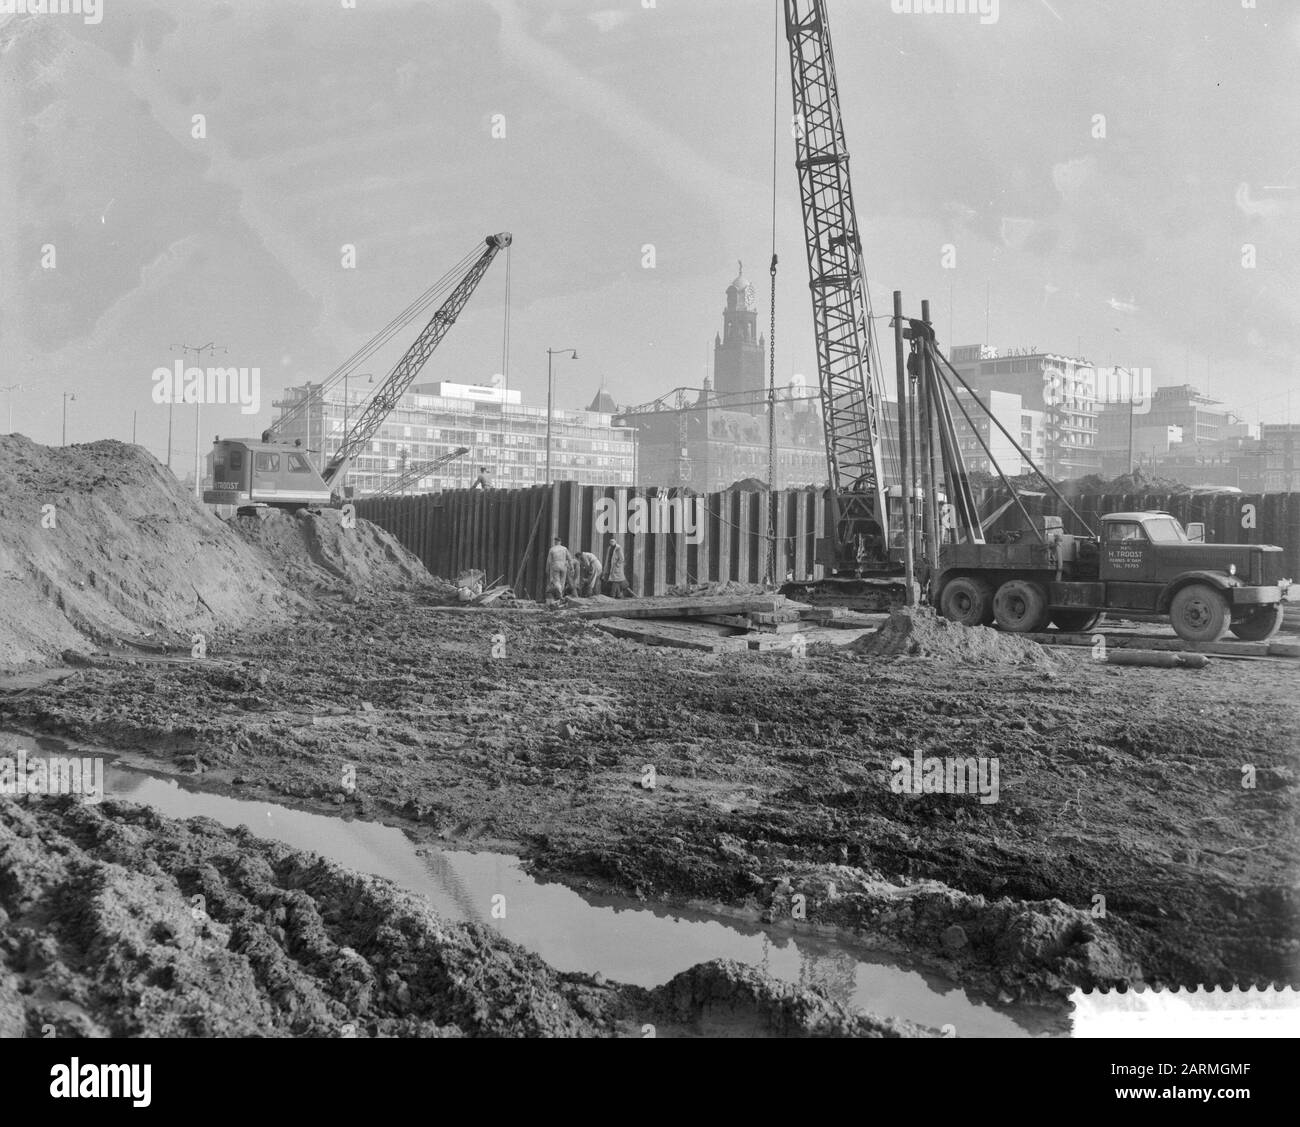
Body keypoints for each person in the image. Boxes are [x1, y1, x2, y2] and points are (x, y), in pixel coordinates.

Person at [545, 537, 572, 604]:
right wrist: (572, 567)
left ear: (555, 542)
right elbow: (569, 558)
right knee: (562, 581)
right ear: (560, 542)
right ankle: (561, 595)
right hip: (563, 565)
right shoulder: (564, 548)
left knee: (557, 581)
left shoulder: (552, 549)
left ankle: (559, 596)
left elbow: (548, 561)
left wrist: (547, 569)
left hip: (555, 565)